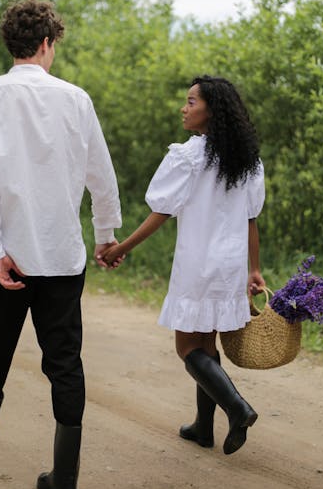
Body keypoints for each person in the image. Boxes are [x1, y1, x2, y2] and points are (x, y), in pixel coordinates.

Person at [0, 0, 121, 489]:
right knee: (65, 362)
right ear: (47, 43)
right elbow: (101, 179)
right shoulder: (77, 100)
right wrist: (105, 234)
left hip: (10, 256)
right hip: (63, 256)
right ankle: (65, 483)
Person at [102, 75, 265, 455]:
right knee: (205, 342)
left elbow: (161, 211)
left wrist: (120, 248)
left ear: (212, 110)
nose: (184, 108)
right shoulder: (247, 160)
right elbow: (251, 219)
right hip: (230, 266)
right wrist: (254, 270)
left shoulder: (189, 156)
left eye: (191, 101)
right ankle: (203, 428)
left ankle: (237, 409)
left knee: (186, 347)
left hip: (198, 263)